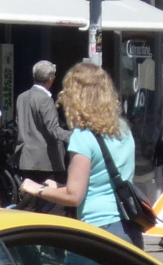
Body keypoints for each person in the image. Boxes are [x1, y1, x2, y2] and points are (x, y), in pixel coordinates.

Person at [18, 62, 143, 248]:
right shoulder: (123, 129)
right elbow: (99, 180)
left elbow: (74, 196)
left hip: (98, 230)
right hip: (129, 227)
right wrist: (58, 186)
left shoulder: (82, 137)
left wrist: (38, 189)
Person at [15, 60, 71, 186]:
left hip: (26, 158)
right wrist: (76, 136)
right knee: (51, 201)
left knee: (30, 199)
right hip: (46, 161)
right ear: (50, 80)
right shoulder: (45, 100)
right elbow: (54, 129)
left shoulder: (22, 97)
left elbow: (20, 123)